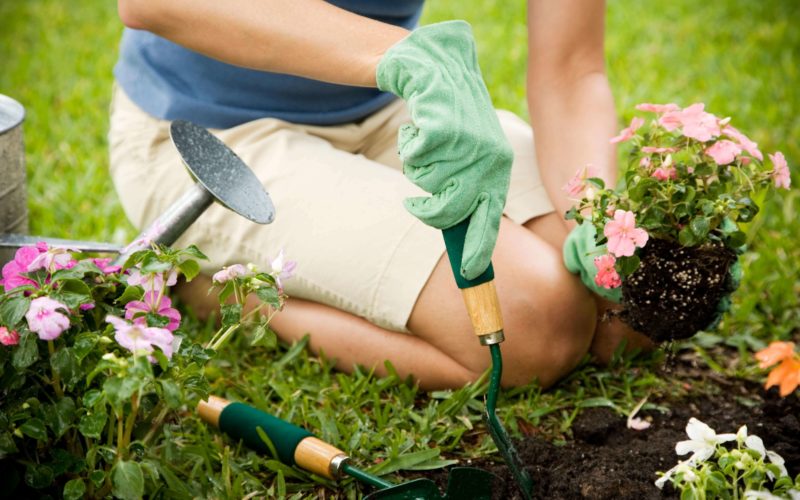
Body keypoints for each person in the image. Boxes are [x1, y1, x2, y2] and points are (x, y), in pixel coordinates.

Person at [110, 0, 652, 391]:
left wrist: (595, 217)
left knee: (625, 315)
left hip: (386, 106)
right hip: (212, 140)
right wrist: (406, 56)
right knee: (534, 330)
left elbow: (571, 69)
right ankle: (221, 291)